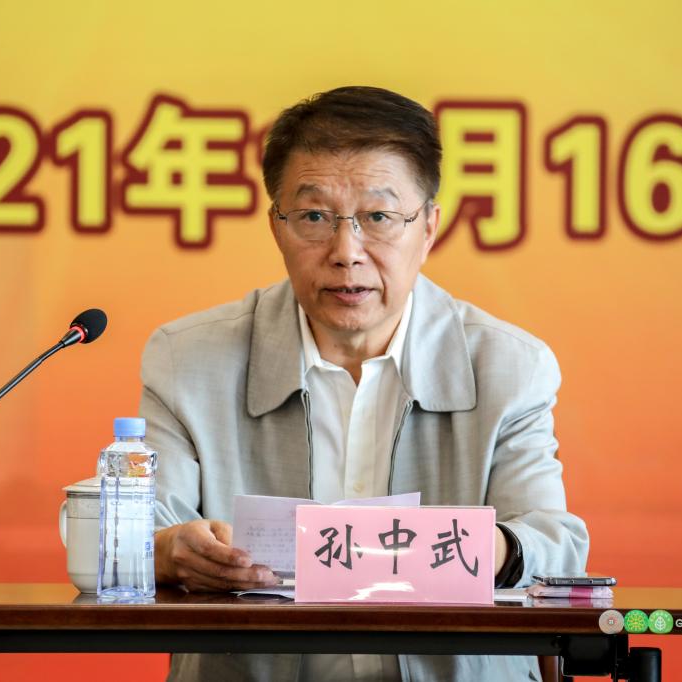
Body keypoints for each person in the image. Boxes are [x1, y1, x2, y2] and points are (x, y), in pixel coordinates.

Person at [142, 86, 589, 681]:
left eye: (378, 217)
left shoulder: (509, 367)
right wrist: (170, 552)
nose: (346, 252)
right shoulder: (188, 361)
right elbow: (129, 536)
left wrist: (471, 548)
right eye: (314, 217)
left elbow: (555, 548)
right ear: (276, 227)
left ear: (428, 228)